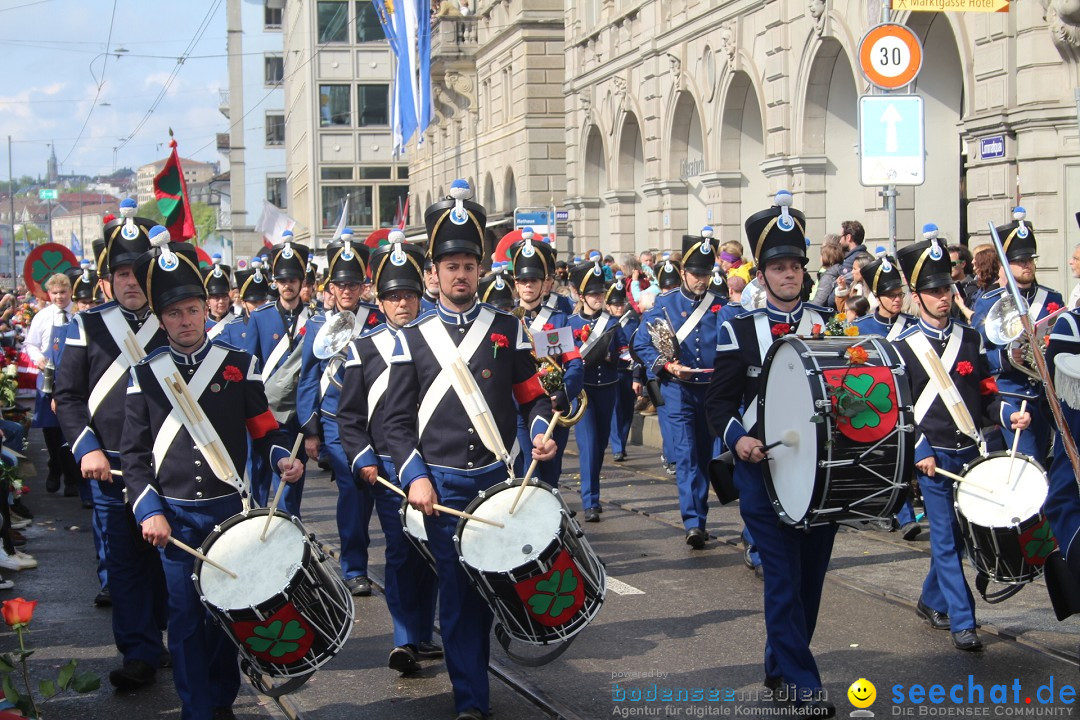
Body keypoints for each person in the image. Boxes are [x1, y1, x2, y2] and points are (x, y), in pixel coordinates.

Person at [382, 180, 556, 720]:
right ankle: (471, 701)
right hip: (444, 487)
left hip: (498, 484)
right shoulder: (411, 337)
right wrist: (415, 477)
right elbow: (394, 422)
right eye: (450, 264)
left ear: (481, 270)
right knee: (457, 598)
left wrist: (544, 429)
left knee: (500, 589)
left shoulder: (508, 329)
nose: (460, 274)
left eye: (469, 264)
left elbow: (533, 397)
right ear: (432, 272)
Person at [121, 227, 303, 720]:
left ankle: (219, 703)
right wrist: (150, 510)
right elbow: (134, 456)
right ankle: (196, 708)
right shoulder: (146, 375)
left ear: (207, 309)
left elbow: (265, 429)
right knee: (184, 618)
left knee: (226, 614)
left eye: (193, 309)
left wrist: (282, 456)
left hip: (227, 512)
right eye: (174, 313)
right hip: (175, 521)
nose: (186, 320)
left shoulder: (237, 364)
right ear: (161, 318)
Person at [705, 190, 835, 714]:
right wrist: (738, 439)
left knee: (810, 584)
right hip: (763, 471)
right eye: (778, 267)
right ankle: (805, 685)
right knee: (782, 580)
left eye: (795, 267)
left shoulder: (830, 326)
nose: (789, 275)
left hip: (818, 474)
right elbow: (718, 402)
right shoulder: (740, 329)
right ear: (761, 274)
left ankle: (779, 665)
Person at [53, 199, 169, 690]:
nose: (129, 281)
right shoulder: (87, 327)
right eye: (120, 273)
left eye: (136, 271)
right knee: (124, 566)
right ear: (107, 281)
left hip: (167, 469)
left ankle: (171, 639)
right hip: (112, 469)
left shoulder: (174, 324)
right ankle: (139, 652)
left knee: (169, 565)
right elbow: (69, 397)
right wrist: (88, 450)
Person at [893, 233, 1028, 653]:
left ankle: (931, 599)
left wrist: (1010, 416)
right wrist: (920, 451)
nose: (942, 298)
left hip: (970, 453)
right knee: (947, 540)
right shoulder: (902, 347)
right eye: (933, 292)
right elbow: (903, 410)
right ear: (916, 297)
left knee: (966, 537)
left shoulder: (969, 338)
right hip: (932, 456)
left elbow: (986, 395)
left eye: (946, 289)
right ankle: (963, 621)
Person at [337, 233, 441, 674]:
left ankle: (421, 632)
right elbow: (349, 417)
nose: (403, 303)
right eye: (393, 296)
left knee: (432, 552)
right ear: (379, 302)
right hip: (387, 471)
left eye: (410, 295)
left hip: (435, 467)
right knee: (400, 550)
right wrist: (361, 457)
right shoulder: (362, 350)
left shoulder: (438, 342)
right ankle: (404, 638)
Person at [297, 229, 379, 597]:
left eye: (354, 283)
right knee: (352, 491)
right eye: (340, 284)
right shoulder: (317, 324)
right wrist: (311, 430)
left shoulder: (377, 320)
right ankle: (354, 566)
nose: (347, 291)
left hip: (377, 419)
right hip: (334, 422)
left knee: (383, 497)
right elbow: (308, 378)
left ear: (364, 285)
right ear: (331, 287)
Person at [634, 227, 724, 548]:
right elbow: (641, 343)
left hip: (710, 389)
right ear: (684, 272)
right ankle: (694, 522)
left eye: (707, 273)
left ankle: (700, 514)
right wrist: (667, 365)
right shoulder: (665, 304)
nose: (702, 279)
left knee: (703, 455)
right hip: (677, 389)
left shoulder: (722, 304)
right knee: (685, 455)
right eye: (697, 273)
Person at [972, 209, 1063, 462]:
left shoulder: (1052, 298)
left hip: (1048, 396)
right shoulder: (989, 302)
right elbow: (977, 358)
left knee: (1055, 464)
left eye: (1030, 260)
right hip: (1012, 396)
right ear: (1005, 264)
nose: (1027, 265)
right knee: (1028, 465)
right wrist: (1008, 356)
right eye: (1019, 261)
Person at [509, 231, 583, 491]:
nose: (528, 286)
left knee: (550, 477)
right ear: (516, 285)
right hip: (516, 411)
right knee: (524, 476)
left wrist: (567, 390)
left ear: (545, 285)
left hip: (551, 408)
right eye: (523, 281)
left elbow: (573, 363)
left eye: (534, 280)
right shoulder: (505, 322)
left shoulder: (558, 320)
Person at [245, 230, 312, 513]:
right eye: (283, 280)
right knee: (259, 476)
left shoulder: (315, 319)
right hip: (267, 413)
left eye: (292, 280)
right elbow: (251, 367)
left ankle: (291, 529)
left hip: (298, 414)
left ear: (301, 282)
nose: (287, 286)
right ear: (276, 282)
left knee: (291, 481)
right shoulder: (261, 318)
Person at [568, 254, 629, 521]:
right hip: (582, 392)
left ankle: (593, 492)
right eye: (593, 294)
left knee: (601, 443)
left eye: (600, 293)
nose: (598, 298)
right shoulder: (570, 325)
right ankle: (590, 501)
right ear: (582, 296)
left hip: (608, 387)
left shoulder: (613, 323)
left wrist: (613, 357)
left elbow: (625, 354)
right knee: (589, 444)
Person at [24, 271, 79, 496]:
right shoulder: (43, 316)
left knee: (71, 430)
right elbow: (31, 343)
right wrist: (38, 358)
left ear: (70, 292)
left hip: (73, 378)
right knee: (51, 430)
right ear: (49, 293)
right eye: (55, 293)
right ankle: (54, 469)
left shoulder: (79, 314)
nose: (59, 297)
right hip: (47, 378)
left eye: (63, 292)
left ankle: (73, 478)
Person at [607, 272, 638, 462]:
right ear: (608, 306)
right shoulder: (606, 323)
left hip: (629, 371)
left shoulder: (633, 321)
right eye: (615, 305)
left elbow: (637, 348)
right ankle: (617, 446)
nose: (619, 308)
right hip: (612, 371)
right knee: (615, 411)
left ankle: (622, 443)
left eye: (621, 304)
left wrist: (637, 375)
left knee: (627, 411)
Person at [202, 256, 235, 341]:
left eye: (224, 297)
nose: (221, 301)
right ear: (208, 301)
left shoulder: (237, 322)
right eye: (216, 298)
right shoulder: (201, 326)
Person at [811, 238, 845, 308]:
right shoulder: (838, 270)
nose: (820, 258)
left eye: (821, 255)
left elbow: (818, 302)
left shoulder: (829, 275)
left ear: (826, 257)